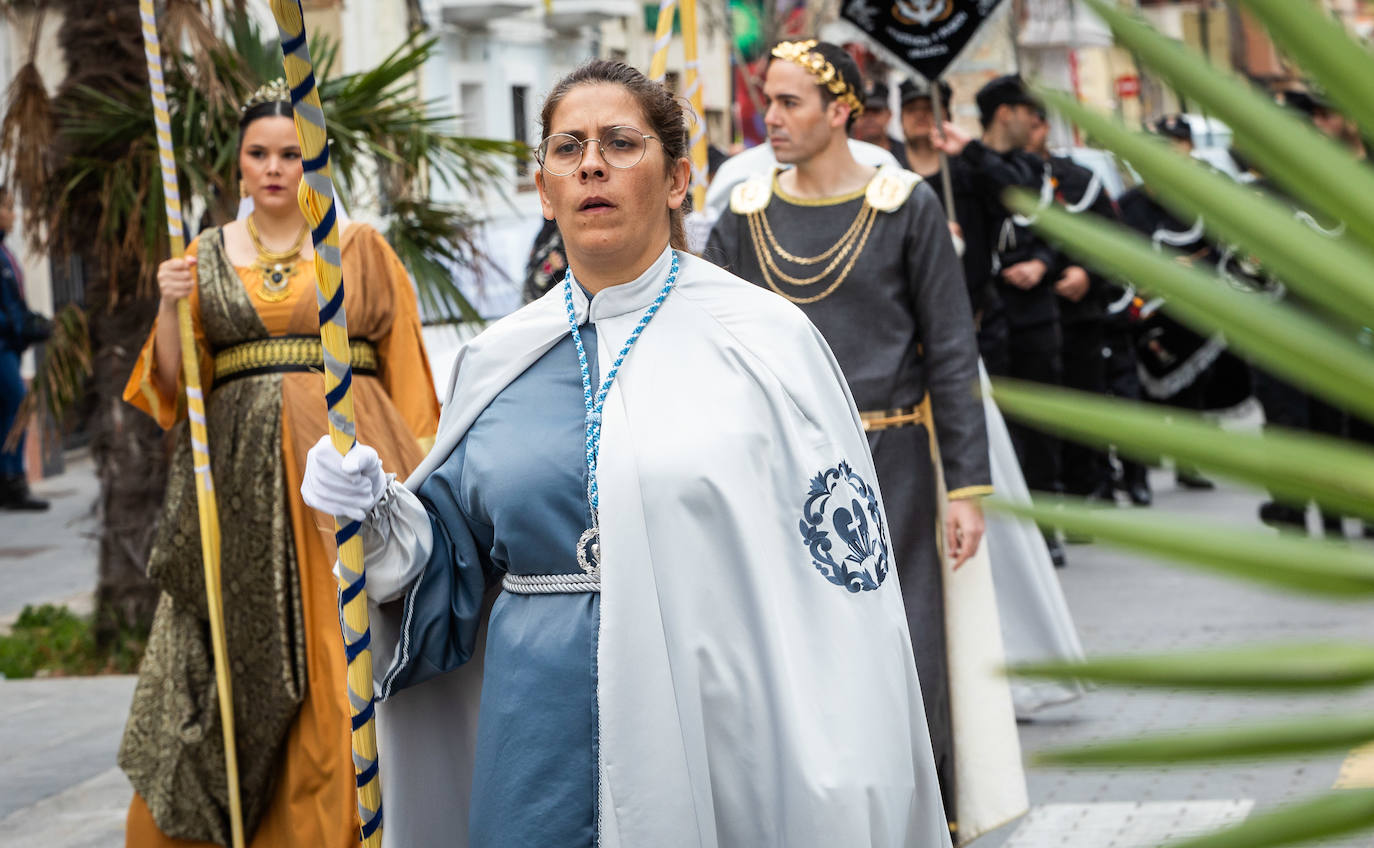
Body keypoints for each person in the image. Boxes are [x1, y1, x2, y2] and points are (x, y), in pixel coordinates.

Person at [300, 58, 954, 847]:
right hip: (535, 733)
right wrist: (376, 513)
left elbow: (836, 578)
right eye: (567, 149)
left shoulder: (764, 343)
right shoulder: (498, 360)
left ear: (678, 179)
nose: (592, 165)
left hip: (718, 720)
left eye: (620, 143)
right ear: (543, 188)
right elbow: (449, 571)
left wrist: (848, 759)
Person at [705, 40, 1025, 841]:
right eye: (766, 103)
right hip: (778, 470)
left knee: (909, 644)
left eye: (789, 104)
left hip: (895, 464)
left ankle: (925, 815)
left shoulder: (903, 204)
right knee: (795, 649)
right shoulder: (744, 216)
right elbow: (705, 341)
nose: (769, 119)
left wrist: (966, 489)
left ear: (840, 110)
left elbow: (951, 349)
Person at [118, 79, 440, 847]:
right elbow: (175, 383)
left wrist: (422, 481)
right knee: (234, 650)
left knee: (346, 641)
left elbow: (407, 375)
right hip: (238, 487)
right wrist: (168, 305)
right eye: (258, 154)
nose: (273, 168)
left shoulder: (356, 245)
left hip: (344, 472)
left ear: (314, 159)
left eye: (290, 153)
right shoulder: (201, 256)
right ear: (237, 165)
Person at [932, 75, 1067, 564]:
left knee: (1041, 420)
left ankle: (1047, 524)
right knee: (992, 425)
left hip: (1035, 317)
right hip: (985, 317)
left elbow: (1021, 196)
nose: (1034, 120)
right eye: (1026, 110)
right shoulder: (959, 172)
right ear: (1005, 113)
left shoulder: (1023, 165)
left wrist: (1046, 265)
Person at [1118, 115, 1228, 492]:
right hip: (1145, 308)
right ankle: (1143, 462)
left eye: (1175, 144)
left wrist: (1193, 267)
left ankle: (1188, 459)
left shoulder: (1204, 197)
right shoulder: (1128, 204)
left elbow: (1222, 248)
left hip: (1193, 305)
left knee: (1192, 387)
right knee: (1142, 387)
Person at [1024, 107, 1115, 504]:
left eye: (1032, 125)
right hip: (1032, 316)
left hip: (1079, 314)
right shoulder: (1006, 179)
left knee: (1086, 400)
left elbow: (1113, 239)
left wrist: (1087, 274)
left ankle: (1090, 485)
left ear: (1044, 127)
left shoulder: (1079, 180)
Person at [897, 79, 994, 326]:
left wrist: (971, 150)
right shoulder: (890, 175)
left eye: (929, 108)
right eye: (911, 110)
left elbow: (1013, 191)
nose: (920, 116)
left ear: (947, 116)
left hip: (975, 310)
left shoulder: (968, 171)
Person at [0, 185, 49, 511]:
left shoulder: (6, 253)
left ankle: (11, 481)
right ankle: (12, 480)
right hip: (3, 345)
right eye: (8, 207)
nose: (14, 214)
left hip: (11, 346)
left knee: (12, 407)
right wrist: (17, 327)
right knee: (17, 402)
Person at [851, 78, 905, 160]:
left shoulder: (907, 154)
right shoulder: (847, 155)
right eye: (864, 112)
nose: (869, 118)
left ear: (889, 115)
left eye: (876, 111)